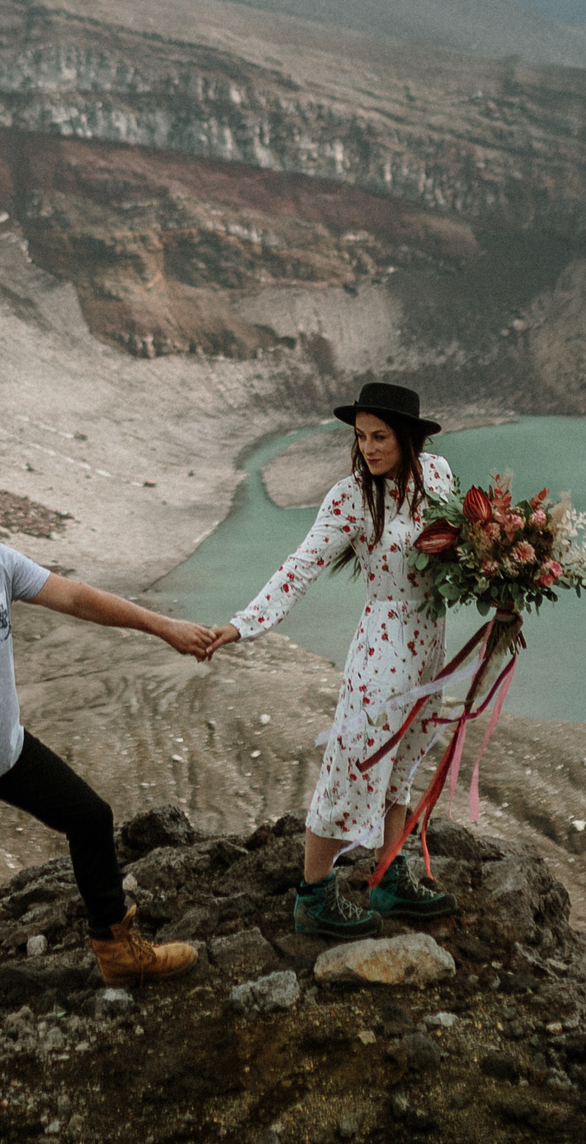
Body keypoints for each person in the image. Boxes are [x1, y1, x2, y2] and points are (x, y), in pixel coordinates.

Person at [0, 461, 212, 1031]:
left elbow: (75, 597)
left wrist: (162, 627)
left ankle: (119, 953)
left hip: (7, 751)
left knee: (90, 817)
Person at [202, 381, 459, 938]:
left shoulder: (438, 477)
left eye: (380, 436)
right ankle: (314, 894)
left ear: (409, 438)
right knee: (355, 760)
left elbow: (461, 550)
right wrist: (242, 624)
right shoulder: (349, 497)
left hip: (429, 643)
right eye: (361, 436)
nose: (368, 448)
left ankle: (389, 875)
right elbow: (300, 568)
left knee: (404, 760)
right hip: (383, 647)